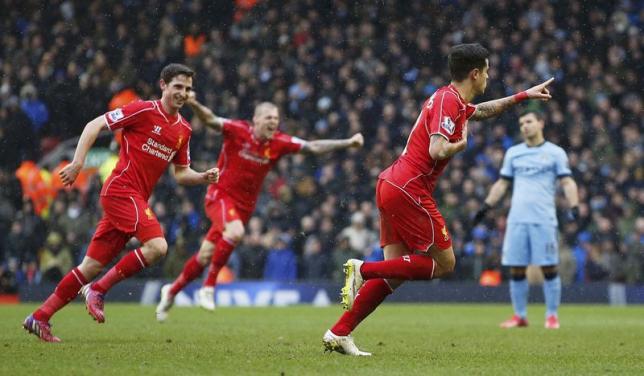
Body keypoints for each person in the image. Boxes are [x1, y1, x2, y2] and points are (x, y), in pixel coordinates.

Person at [322, 43, 555, 356]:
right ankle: (364, 270)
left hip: (392, 183)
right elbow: (437, 149)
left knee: (396, 272)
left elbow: (483, 111)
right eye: (486, 71)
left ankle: (339, 332)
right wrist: (460, 145)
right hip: (409, 187)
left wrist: (522, 96)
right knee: (445, 263)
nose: (488, 77)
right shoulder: (448, 101)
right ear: (475, 73)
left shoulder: (452, 99)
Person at [23, 63, 220, 342]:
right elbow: (95, 125)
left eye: (187, 89)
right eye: (178, 86)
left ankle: (40, 317)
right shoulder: (142, 110)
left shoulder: (184, 130)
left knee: (88, 266)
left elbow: (181, 173)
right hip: (120, 190)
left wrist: (203, 177)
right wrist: (78, 162)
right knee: (157, 246)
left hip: (134, 199)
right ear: (163, 85)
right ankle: (99, 289)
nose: (183, 93)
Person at [155, 94, 364, 321]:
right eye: (268, 117)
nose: (273, 122)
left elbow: (312, 147)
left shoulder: (278, 142)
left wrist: (348, 142)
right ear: (256, 119)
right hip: (219, 195)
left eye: (275, 118)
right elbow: (211, 120)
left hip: (244, 208)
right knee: (235, 232)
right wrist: (194, 104)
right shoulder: (237, 130)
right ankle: (209, 286)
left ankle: (172, 290)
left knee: (205, 254)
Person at [472, 110, 579, 329]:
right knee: (517, 268)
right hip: (517, 220)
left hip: (544, 219)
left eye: (529, 121)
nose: (524, 126)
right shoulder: (514, 153)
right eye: (521, 123)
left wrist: (574, 205)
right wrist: (486, 206)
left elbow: (567, 182)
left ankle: (552, 316)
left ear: (541, 122)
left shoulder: (555, 153)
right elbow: (502, 184)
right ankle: (520, 316)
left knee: (548, 267)